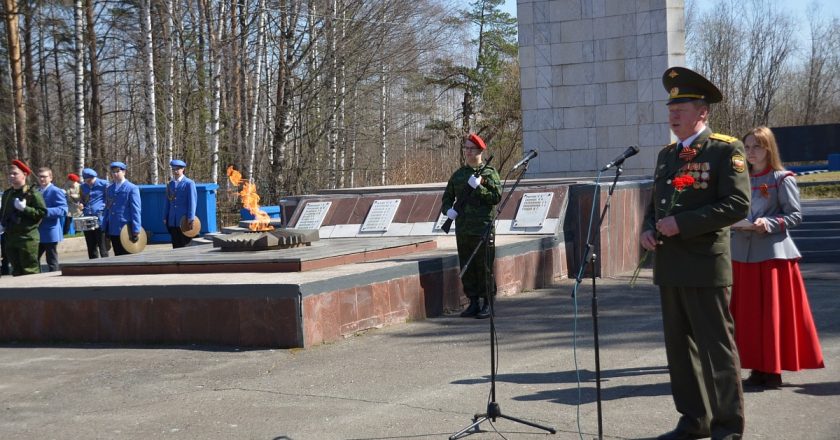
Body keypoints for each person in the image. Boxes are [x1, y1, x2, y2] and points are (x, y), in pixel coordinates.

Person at [640, 67, 751, 440]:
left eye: (681, 108)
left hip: (705, 264)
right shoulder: (667, 155)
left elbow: (737, 204)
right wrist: (647, 228)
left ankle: (727, 427)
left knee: (716, 350)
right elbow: (657, 203)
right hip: (670, 265)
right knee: (680, 351)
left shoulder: (725, 150)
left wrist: (682, 224)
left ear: (702, 112)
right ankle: (694, 419)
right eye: (671, 108)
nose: (673, 115)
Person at [729, 126, 824, 389]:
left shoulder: (783, 178)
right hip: (741, 255)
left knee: (771, 315)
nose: (750, 152)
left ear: (768, 148)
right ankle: (755, 367)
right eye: (747, 147)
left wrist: (768, 223)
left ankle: (771, 370)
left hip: (772, 257)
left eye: (756, 146)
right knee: (747, 316)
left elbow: (795, 215)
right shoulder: (738, 179)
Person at [440, 133, 502, 319]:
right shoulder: (459, 175)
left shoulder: (489, 173)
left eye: (471, 149)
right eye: (465, 148)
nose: (467, 152)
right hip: (463, 229)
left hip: (482, 228)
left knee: (484, 266)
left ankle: (487, 303)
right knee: (467, 265)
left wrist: (480, 187)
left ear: (479, 151)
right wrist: (448, 211)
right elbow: (447, 198)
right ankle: (473, 301)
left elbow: (496, 197)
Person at [0, 160, 47, 276]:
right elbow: (4, 212)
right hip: (10, 238)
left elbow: (42, 213)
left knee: (30, 270)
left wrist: (25, 209)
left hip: (27, 238)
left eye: (15, 173)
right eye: (10, 174)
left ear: (24, 175)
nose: (11, 176)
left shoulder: (33, 193)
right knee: (16, 271)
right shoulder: (7, 194)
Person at [101, 161, 142, 256]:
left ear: (124, 172)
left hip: (126, 229)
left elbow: (136, 210)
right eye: (113, 172)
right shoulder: (110, 188)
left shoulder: (132, 188)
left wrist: (136, 229)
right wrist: (104, 226)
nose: (115, 174)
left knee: (127, 256)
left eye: (117, 171)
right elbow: (107, 208)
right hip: (113, 228)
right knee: (117, 255)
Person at [36, 167, 69, 272]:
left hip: (50, 230)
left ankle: (54, 282)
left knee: (51, 260)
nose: (42, 179)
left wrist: (45, 211)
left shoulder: (55, 191)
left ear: (51, 178)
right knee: (33, 258)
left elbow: (63, 210)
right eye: (40, 177)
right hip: (37, 230)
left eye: (44, 177)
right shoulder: (37, 191)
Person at [163, 159, 197, 248]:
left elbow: (192, 202)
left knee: (185, 245)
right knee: (175, 245)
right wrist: (165, 216)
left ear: (183, 169)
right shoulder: (170, 184)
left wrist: (191, 218)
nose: (175, 171)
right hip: (172, 220)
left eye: (178, 169)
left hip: (184, 220)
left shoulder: (189, 183)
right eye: (173, 169)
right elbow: (167, 202)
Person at [80, 168, 110, 259]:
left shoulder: (104, 184)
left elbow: (109, 199)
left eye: (90, 180)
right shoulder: (83, 186)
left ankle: (106, 265)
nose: (89, 183)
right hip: (87, 218)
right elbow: (83, 200)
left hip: (100, 218)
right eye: (86, 181)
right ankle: (93, 264)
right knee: (90, 245)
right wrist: (81, 204)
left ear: (94, 177)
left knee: (102, 246)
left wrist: (103, 209)